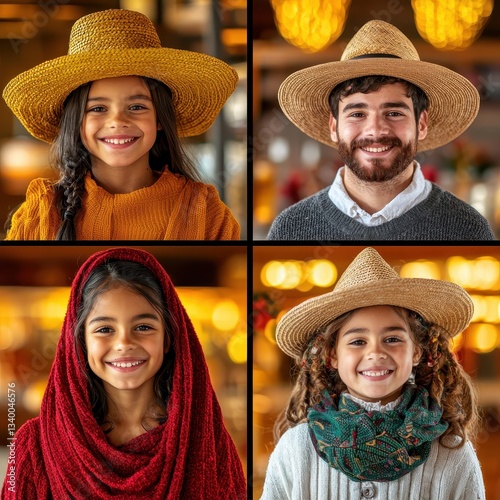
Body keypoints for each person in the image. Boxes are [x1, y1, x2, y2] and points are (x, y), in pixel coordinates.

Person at [2, 248, 246, 498]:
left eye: (143, 326)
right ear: (81, 342)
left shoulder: (208, 441)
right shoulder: (34, 446)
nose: (124, 343)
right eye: (105, 329)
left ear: (168, 338)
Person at [261, 247, 485, 499]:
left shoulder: (451, 453)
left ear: (417, 352)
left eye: (392, 339)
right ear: (332, 355)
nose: (376, 352)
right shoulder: (297, 448)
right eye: (357, 341)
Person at [2, 9, 240, 240]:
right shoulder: (40, 215)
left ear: (160, 119)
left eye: (137, 107)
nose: (117, 121)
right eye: (97, 109)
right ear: (76, 123)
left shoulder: (207, 214)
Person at [266, 20, 495, 240]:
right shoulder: (289, 228)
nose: (375, 131)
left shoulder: (468, 228)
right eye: (357, 114)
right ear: (334, 127)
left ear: (421, 124)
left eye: (394, 113)